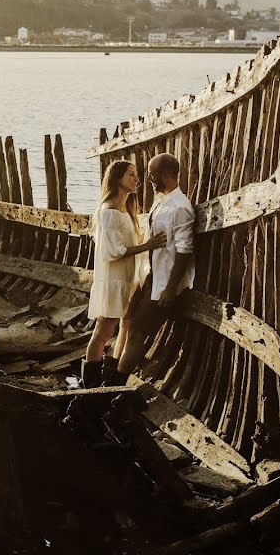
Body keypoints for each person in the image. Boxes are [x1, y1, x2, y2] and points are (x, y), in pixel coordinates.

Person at [111, 152, 195, 384]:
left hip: (165, 284)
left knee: (138, 331)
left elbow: (184, 251)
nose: (147, 178)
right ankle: (123, 368)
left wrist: (170, 288)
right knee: (127, 317)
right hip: (150, 276)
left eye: (152, 174)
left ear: (166, 175)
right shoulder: (162, 202)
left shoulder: (181, 207)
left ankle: (118, 381)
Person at [81, 160, 166, 388]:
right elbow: (114, 251)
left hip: (128, 278)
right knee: (104, 330)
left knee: (126, 324)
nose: (136, 179)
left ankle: (111, 373)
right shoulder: (108, 211)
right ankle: (89, 383)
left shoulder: (125, 210)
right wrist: (148, 245)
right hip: (113, 280)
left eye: (136, 175)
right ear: (117, 178)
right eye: (131, 175)